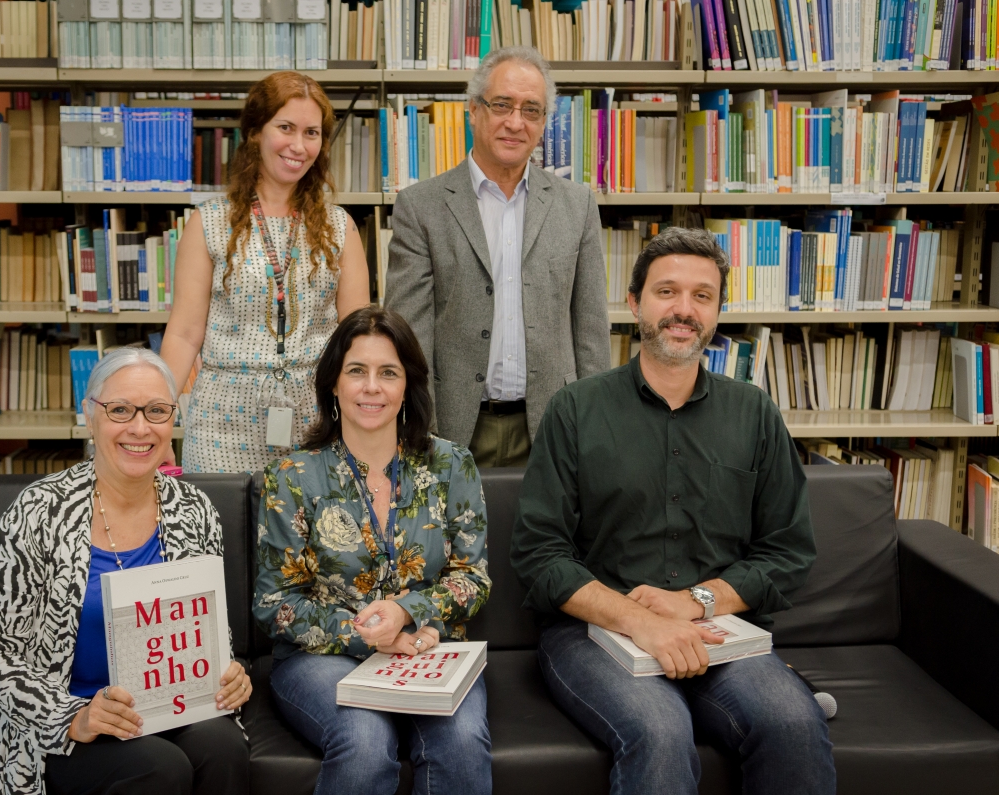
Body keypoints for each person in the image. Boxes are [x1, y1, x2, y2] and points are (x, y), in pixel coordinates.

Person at [509, 227, 835, 795]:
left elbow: (787, 551)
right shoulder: (574, 410)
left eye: (702, 296)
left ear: (717, 312)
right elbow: (539, 556)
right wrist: (643, 622)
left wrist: (694, 602)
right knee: (659, 731)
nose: (683, 310)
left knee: (793, 721)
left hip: (720, 634)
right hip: (593, 636)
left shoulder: (754, 413)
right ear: (634, 303)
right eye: (666, 292)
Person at [0, 347, 252, 795]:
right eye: (120, 410)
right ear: (90, 416)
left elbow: (208, 630)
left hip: (167, 706)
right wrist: (71, 717)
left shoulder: (195, 509)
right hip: (68, 720)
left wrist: (228, 671)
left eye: (157, 411)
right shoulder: (38, 512)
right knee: (158, 768)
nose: (140, 428)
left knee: (224, 747)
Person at [253, 306, 492, 795]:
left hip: (429, 648)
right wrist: (370, 637)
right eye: (356, 371)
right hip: (320, 657)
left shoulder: (452, 465)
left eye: (388, 373)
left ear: (408, 387)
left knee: (464, 742)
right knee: (363, 739)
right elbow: (275, 605)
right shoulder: (293, 476)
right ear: (334, 385)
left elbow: (473, 577)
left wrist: (406, 613)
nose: (371, 387)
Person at [384, 46, 609, 467]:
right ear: (474, 110)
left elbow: (591, 330)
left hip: (553, 427)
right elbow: (409, 335)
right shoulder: (421, 206)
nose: (514, 122)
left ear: (544, 123)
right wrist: (421, 432)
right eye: (502, 105)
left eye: (531, 110)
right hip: (454, 430)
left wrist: (591, 427)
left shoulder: (576, 205)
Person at [162, 70, 371, 474]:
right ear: (256, 132)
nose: (298, 145)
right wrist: (158, 423)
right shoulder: (209, 223)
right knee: (225, 532)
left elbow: (356, 336)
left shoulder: (339, 226)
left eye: (311, 133)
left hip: (317, 418)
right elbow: (184, 335)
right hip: (219, 422)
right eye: (286, 128)